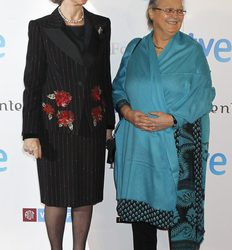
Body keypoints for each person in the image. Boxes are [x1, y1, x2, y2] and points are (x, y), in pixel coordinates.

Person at [112, 0, 216, 249]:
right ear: (152, 13)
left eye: (180, 11)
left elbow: (204, 94)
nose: (176, 16)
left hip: (177, 148)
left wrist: (172, 119)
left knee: (178, 221)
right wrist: (127, 113)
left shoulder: (191, 51)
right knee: (143, 229)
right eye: (169, 10)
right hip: (139, 149)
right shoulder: (135, 48)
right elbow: (118, 89)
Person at [22, 0, 115, 249]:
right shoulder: (41, 28)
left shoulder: (101, 25)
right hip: (55, 128)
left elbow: (104, 76)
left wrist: (108, 123)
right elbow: (32, 84)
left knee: (85, 196)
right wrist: (30, 133)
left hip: (91, 127)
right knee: (56, 195)